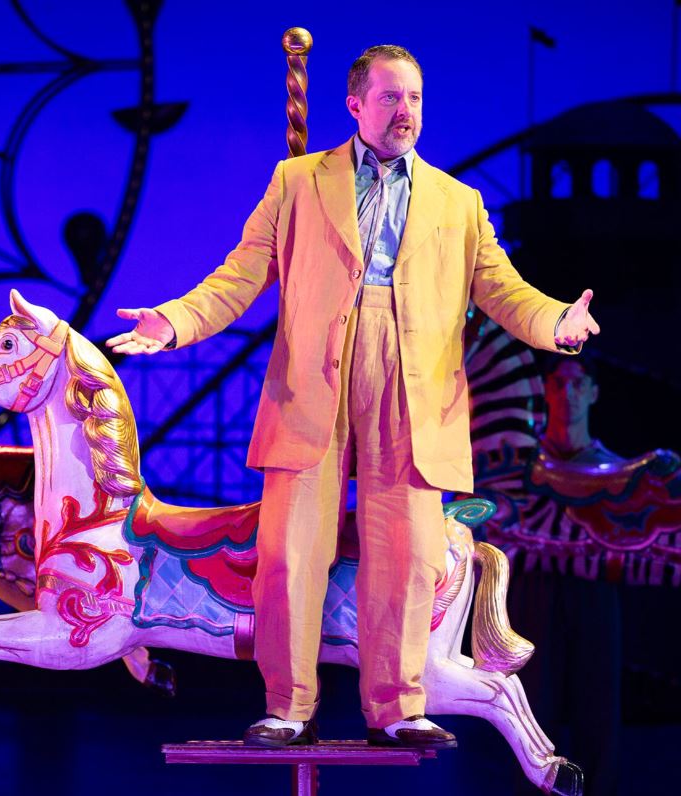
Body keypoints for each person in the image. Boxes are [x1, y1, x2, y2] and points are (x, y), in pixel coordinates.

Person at [108, 44, 600, 749]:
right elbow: (240, 275)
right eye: (391, 97)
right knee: (289, 552)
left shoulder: (457, 202)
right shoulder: (299, 182)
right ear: (356, 104)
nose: (406, 112)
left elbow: (502, 289)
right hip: (314, 380)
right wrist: (174, 321)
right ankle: (289, 705)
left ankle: (397, 707)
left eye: (415, 98)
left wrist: (556, 323)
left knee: (409, 555)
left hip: (413, 384)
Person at [508, 355, 621, 795]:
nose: (568, 393)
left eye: (577, 384)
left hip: (594, 592)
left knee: (598, 709)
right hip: (533, 590)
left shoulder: (615, 474)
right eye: (558, 384)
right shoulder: (522, 465)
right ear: (546, 391)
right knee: (532, 709)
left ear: (592, 393)